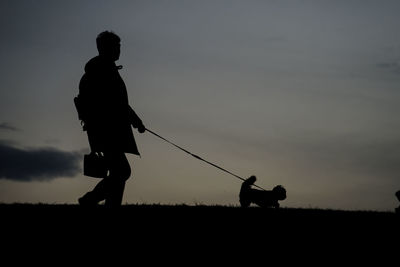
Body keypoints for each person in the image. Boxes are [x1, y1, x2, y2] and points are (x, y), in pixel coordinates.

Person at [78, 31, 145, 207]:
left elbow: (118, 103)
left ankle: (111, 206)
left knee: (118, 172)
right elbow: (114, 103)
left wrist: (135, 120)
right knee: (122, 171)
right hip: (107, 130)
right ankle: (89, 200)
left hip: (107, 129)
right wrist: (135, 120)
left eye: (119, 46)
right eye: (115, 46)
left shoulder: (103, 69)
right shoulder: (102, 71)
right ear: (104, 48)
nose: (118, 49)